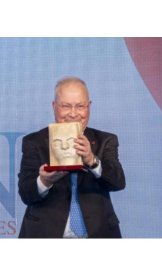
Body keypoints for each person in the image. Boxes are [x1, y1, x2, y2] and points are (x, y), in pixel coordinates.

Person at [18, 77, 126, 238]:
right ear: (54, 107)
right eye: (66, 106)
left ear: (89, 106)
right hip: (45, 234)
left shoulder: (106, 140)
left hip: (97, 233)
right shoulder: (34, 142)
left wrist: (92, 160)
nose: (73, 113)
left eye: (80, 106)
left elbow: (118, 182)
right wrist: (45, 181)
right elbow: (26, 194)